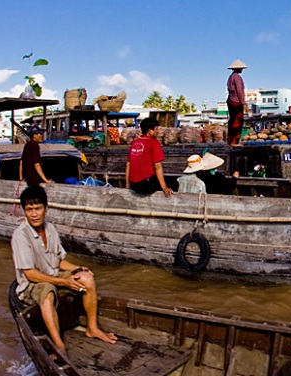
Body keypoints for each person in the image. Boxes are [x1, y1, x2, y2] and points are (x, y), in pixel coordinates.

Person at [12, 185, 117, 354]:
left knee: (87, 278)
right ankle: (59, 344)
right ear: (24, 211)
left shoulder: (50, 228)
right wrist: (64, 282)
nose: (34, 214)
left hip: (53, 274)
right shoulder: (20, 235)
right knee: (47, 292)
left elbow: (59, 261)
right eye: (29, 209)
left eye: (37, 208)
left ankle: (92, 328)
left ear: (46, 208)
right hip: (32, 284)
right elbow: (30, 274)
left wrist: (78, 269)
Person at [125, 118, 172, 197]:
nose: (158, 131)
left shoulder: (135, 142)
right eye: (156, 129)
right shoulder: (154, 143)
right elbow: (158, 167)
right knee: (172, 181)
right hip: (146, 185)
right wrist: (164, 187)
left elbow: (128, 164)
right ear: (150, 131)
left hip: (134, 185)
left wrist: (127, 185)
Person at [226, 59, 248, 145]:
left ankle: (230, 140)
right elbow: (239, 91)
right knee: (237, 121)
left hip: (231, 100)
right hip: (236, 101)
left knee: (232, 120)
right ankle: (235, 141)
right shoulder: (237, 78)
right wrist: (243, 103)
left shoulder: (230, 77)